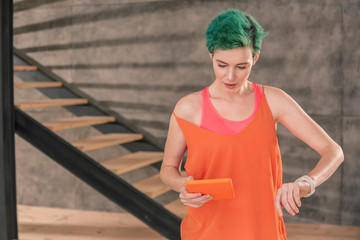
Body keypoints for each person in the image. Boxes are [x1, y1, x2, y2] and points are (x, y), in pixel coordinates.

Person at [159, 8, 344, 240]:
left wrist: (306, 183)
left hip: (264, 232)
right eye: (221, 64)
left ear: (255, 58)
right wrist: (182, 185)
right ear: (211, 56)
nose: (230, 76)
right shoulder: (187, 108)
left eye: (241, 67)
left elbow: (333, 151)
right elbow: (168, 170)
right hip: (205, 232)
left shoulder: (273, 100)